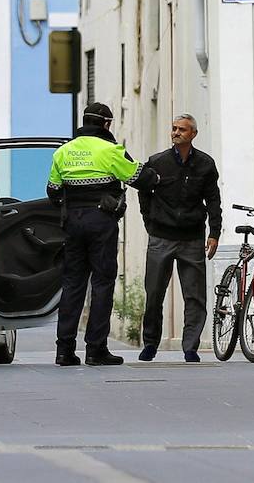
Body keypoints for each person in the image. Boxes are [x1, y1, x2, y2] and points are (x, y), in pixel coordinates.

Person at [47, 101, 158, 368]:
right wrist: (157, 177)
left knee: (73, 284)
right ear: (106, 124)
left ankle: (64, 351)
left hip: (73, 222)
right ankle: (96, 350)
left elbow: (52, 191)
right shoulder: (111, 151)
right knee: (102, 283)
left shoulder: (63, 152)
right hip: (101, 222)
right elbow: (138, 177)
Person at [137, 113, 222, 363]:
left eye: (182, 129)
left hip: (192, 238)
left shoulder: (205, 164)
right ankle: (150, 344)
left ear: (193, 134)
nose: (176, 132)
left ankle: (190, 347)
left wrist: (214, 232)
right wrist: (149, 221)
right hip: (161, 237)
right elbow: (144, 191)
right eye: (174, 128)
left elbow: (213, 200)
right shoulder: (157, 162)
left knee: (195, 296)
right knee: (154, 293)